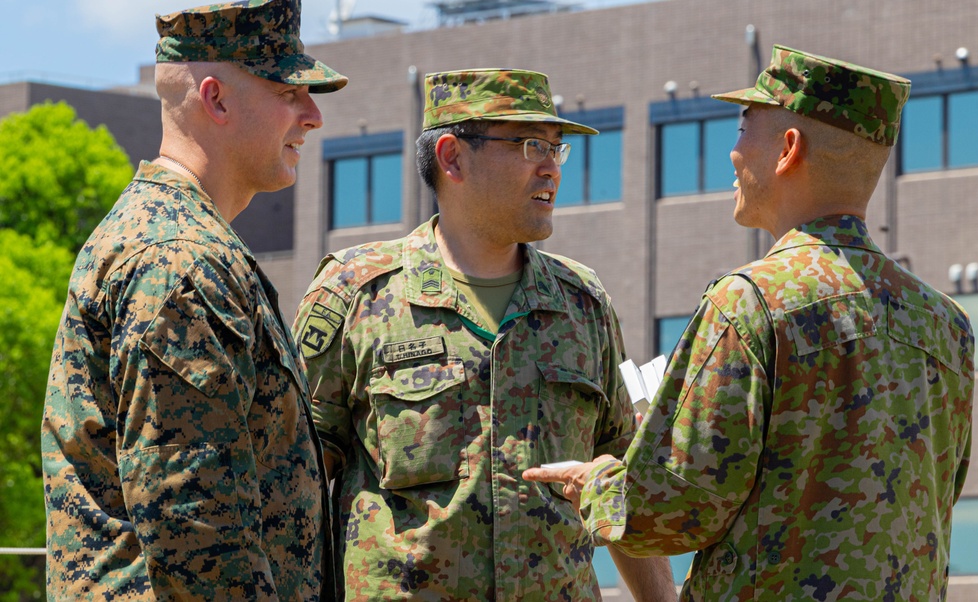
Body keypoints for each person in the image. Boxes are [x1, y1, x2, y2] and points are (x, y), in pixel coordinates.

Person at [525, 45, 975, 600]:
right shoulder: (946, 324)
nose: (733, 152)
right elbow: (941, 493)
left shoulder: (752, 301)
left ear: (788, 150)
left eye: (743, 128)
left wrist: (593, 483)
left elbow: (670, 512)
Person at [293, 68, 675, 600]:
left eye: (557, 149)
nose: (552, 169)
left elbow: (615, 479)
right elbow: (294, 487)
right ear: (452, 157)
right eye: (529, 145)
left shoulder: (582, 303)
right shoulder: (356, 294)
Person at [40, 1, 347, 599]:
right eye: (289, 90)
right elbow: (198, 534)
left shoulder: (178, 239)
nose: (312, 115)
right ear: (217, 99)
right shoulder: (182, 258)